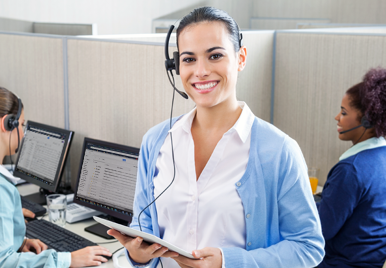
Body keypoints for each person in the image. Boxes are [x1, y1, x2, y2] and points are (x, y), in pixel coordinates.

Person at [107, 7, 324, 268]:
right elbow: (144, 224)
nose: (201, 71)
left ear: (240, 58)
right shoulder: (156, 141)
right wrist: (138, 256)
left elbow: (308, 247)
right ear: (176, 66)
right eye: (189, 59)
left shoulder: (278, 150)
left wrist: (228, 262)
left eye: (215, 56)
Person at [0, 85, 111, 267]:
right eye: (21, 125)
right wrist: (69, 259)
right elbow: (2, 263)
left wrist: (17, 241)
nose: (22, 133)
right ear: (7, 124)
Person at [316, 68, 386, 267]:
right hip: (380, 260)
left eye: (344, 112)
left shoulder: (351, 169)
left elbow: (320, 230)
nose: (337, 117)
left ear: (367, 120)